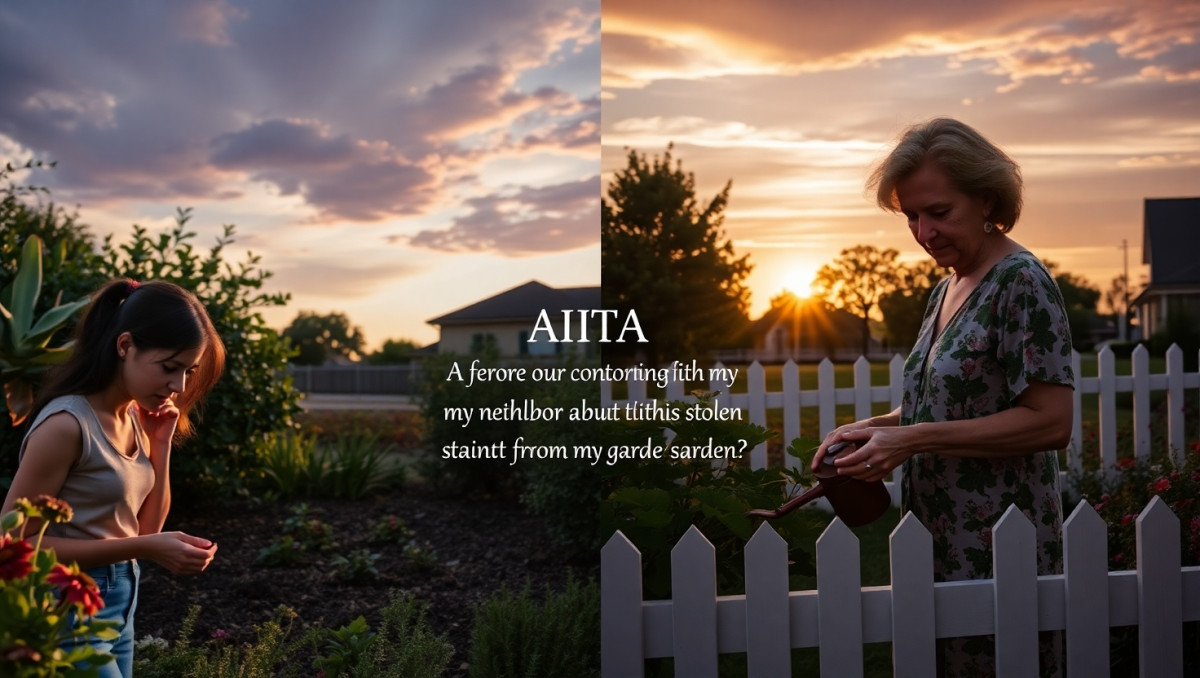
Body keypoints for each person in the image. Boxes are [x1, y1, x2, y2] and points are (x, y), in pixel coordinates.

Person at [812, 118, 1074, 677]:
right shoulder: (947, 286)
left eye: (939, 212)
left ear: (985, 198)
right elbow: (950, 403)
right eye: (911, 215)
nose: (924, 232)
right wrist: (872, 428)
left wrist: (911, 440)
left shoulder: (1020, 282)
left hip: (999, 541)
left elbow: (1050, 421)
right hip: (937, 535)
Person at [1, 279, 226, 678]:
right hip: (64, 609)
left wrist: (161, 444)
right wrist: (148, 547)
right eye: (170, 368)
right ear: (125, 346)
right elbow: (15, 544)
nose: (180, 387)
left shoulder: (136, 418)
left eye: (189, 371)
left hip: (120, 604)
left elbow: (146, 529)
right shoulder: (67, 425)